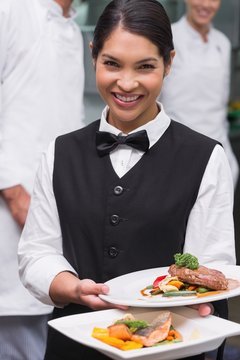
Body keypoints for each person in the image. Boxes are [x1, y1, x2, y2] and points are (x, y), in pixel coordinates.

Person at [18, 0, 236, 359]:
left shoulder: (206, 157)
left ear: (169, 63)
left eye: (146, 66)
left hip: (172, 348)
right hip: (73, 348)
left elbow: (212, 268)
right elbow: (37, 253)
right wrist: (71, 287)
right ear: (93, 56)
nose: (127, 83)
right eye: (112, 64)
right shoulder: (60, 152)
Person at [0, 0, 85, 359]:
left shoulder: (73, 28)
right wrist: (12, 189)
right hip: (11, 203)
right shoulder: (10, 9)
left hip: (56, 203)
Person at [159, 0, 239, 188]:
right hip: (176, 151)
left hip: (219, 149)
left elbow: (220, 102)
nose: (206, 5)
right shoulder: (168, 37)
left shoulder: (222, 43)